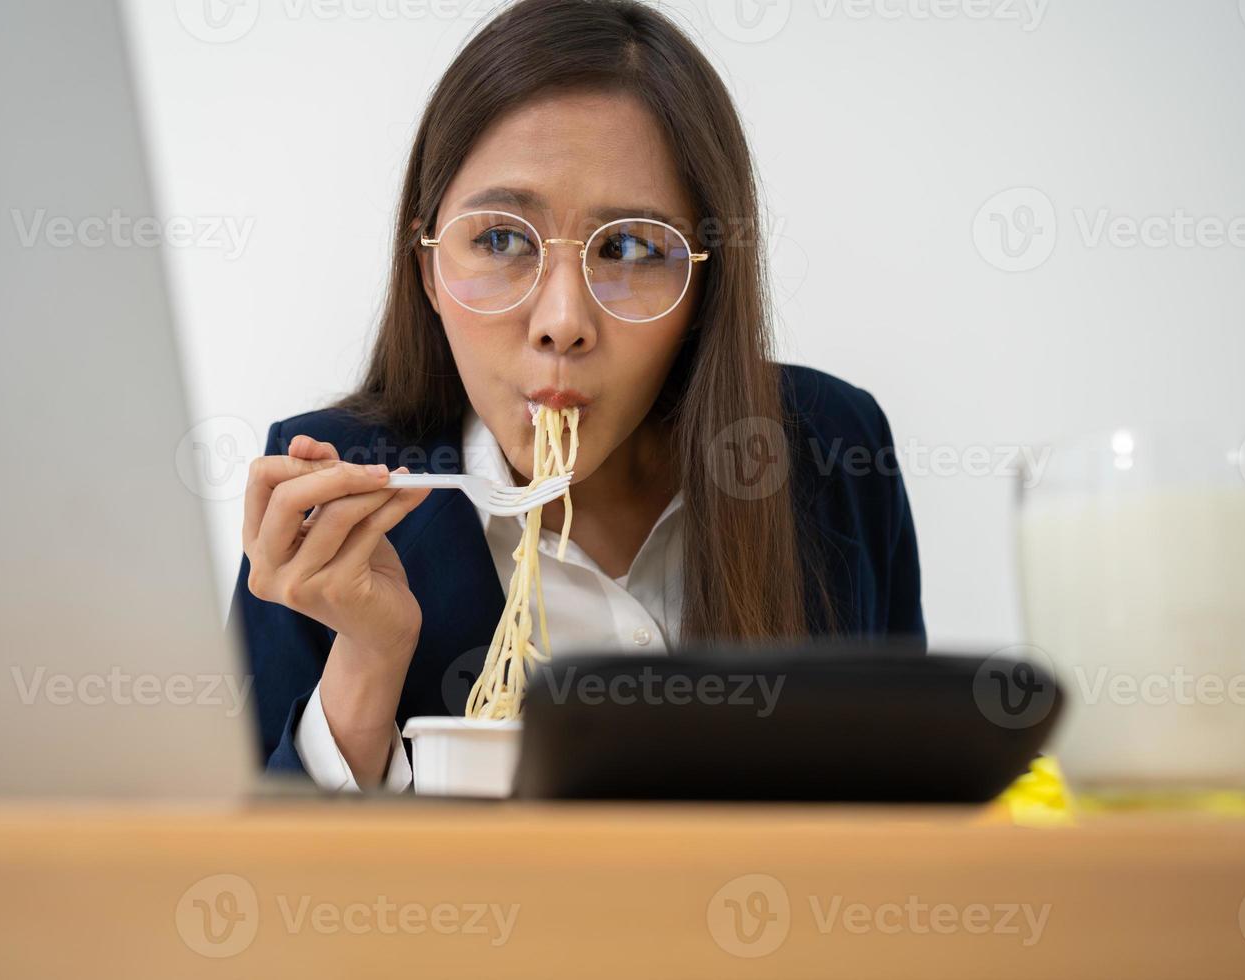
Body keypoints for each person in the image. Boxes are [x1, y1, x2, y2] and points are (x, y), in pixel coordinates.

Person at [231, 0, 925, 791]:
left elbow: (905, 814)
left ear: (704, 283)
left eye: (631, 247)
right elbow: (258, 888)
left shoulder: (830, 453)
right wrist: (365, 666)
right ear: (426, 264)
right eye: (499, 240)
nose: (563, 323)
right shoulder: (328, 498)